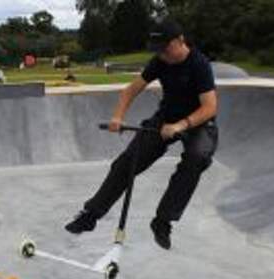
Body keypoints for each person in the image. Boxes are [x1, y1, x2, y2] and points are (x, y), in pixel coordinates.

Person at [65, 20, 219, 250]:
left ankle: (163, 221)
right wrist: (118, 117)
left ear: (180, 41)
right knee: (127, 163)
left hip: (199, 122)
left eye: (165, 49)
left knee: (197, 158)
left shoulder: (199, 64)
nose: (162, 55)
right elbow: (131, 90)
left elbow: (210, 107)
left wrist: (181, 125)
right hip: (166, 118)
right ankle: (91, 215)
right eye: (158, 51)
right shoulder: (160, 61)